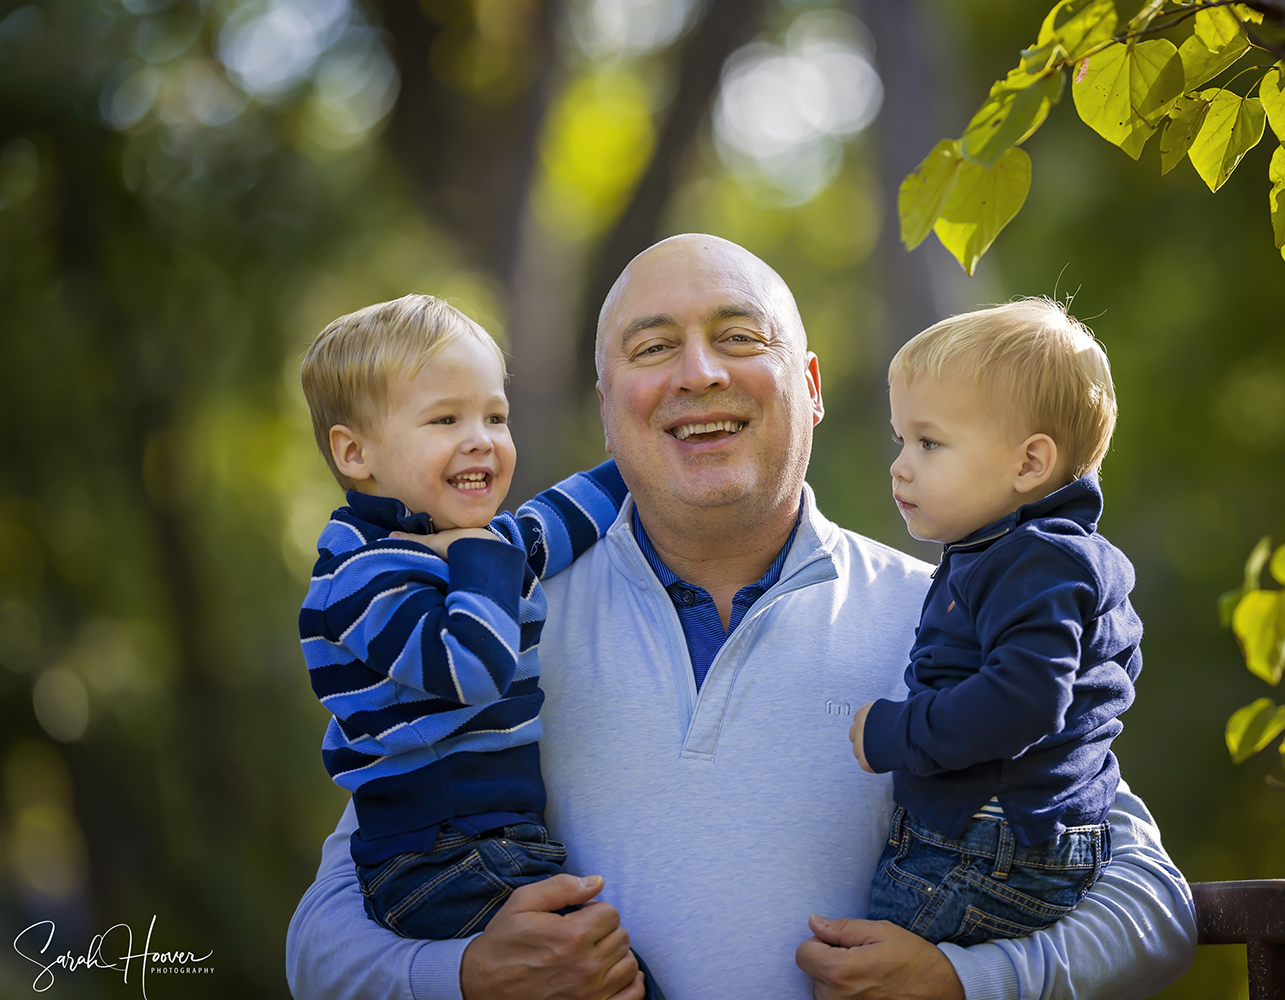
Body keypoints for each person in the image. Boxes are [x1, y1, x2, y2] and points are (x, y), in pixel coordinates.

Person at [286, 236, 1197, 1000]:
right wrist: (462, 975)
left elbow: (1155, 908)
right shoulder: (489, 620)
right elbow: (318, 945)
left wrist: (971, 983)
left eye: (739, 336)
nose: (700, 372)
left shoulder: (948, 613)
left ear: (810, 385)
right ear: (609, 412)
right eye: (651, 349)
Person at [296, 296, 663, 995]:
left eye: (495, 416)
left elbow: (558, 518)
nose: (481, 439)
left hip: (491, 841)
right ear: (355, 452)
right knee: (609, 976)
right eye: (445, 420)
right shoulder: (361, 578)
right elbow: (474, 666)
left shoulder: (467, 545)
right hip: (434, 857)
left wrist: (649, 452)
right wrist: (479, 553)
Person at [849, 301, 1138, 946]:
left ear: (1029, 464)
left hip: (987, 844)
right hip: (1012, 835)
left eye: (929, 442)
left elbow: (1025, 701)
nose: (900, 464)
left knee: (860, 978)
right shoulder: (1035, 559)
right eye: (902, 440)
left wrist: (896, 733)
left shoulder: (1035, 563)